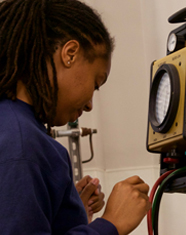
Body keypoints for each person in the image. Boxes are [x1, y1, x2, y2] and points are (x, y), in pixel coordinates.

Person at [0, 0, 151, 234]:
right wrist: (110, 224)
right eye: (96, 83)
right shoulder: (22, 144)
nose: (90, 105)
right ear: (70, 54)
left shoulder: (12, 126)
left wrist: (67, 209)